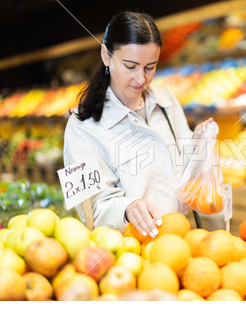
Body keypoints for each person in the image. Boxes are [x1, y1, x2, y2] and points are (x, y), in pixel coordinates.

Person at [63, 11, 224, 237]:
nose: (141, 78)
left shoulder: (166, 101)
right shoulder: (81, 127)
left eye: (150, 67)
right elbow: (91, 210)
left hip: (181, 242)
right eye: (130, 66)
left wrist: (199, 148)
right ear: (106, 56)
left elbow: (184, 176)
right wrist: (127, 209)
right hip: (131, 254)